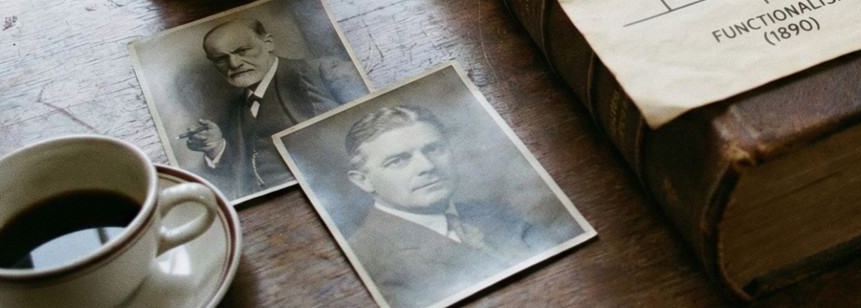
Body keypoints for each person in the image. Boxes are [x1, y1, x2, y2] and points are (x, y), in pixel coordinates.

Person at [343, 106, 576, 308]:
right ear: (363, 180)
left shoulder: (493, 211)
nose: (427, 166)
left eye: (433, 149)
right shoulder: (364, 260)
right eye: (398, 160)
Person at [183, 18, 365, 200]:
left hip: (341, 196)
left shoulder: (327, 72)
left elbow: (373, 128)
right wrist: (216, 147)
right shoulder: (235, 110)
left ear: (268, 43)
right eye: (221, 59)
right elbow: (244, 171)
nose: (234, 64)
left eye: (243, 51)